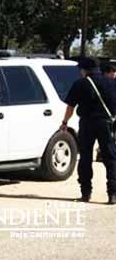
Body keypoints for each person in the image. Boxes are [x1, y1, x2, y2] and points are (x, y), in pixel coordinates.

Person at [61, 57, 116, 205]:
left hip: (87, 124)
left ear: (84, 70)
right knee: (110, 158)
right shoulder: (112, 83)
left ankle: (86, 193)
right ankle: (112, 194)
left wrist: (65, 122)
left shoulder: (80, 84)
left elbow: (70, 107)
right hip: (106, 124)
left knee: (85, 158)